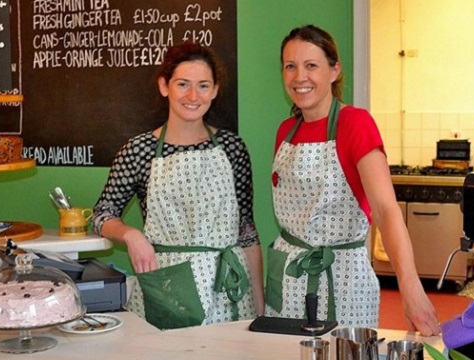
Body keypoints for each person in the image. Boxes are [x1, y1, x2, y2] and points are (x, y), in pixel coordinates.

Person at [265, 24, 441, 336]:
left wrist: (410, 288)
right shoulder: (285, 131)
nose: (299, 77)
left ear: (334, 71)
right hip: (288, 278)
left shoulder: (355, 124)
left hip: (343, 279)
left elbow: (386, 210)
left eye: (311, 66)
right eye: (290, 66)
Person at [92, 43, 263, 330]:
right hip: (169, 287)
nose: (193, 96)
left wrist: (259, 307)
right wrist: (131, 236)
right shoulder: (139, 150)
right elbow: (101, 215)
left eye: (203, 86)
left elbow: (246, 231)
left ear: (215, 90)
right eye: (183, 84)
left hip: (230, 288)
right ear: (164, 86)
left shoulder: (233, 148)